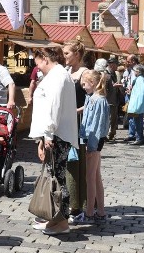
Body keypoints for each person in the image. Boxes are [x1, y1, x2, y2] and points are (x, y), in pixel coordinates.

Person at [28, 46, 78, 236]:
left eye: (38, 63)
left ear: (45, 59)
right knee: (55, 177)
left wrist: (48, 134)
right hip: (55, 134)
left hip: (57, 135)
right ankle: (53, 218)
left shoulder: (57, 76)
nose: (37, 67)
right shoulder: (58, 75)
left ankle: (60, 221)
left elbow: (54, 106)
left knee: (58, 180)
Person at [78, 70, 110, 224]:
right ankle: (101, 211)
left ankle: (90, 211)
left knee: (90, 177)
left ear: (93, 83)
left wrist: (91, 146)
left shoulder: (98, 100)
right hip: (92, 140)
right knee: (96, 176)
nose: (83, 86)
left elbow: (97, 125)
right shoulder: (92, 98)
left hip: (94, 141)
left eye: (84, 83)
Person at [63, 40, 88, 221]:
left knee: (76, 165)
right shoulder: (65, 72)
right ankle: (68, 201)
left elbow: (92, 101)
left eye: (67, 53)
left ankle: (79, 206)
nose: (64, 57)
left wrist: (75, 111)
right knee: (66, 164)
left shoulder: (85, 74)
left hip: (78, 124)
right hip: (64, 123)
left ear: (77, 54)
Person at [126, 64, 144, 145]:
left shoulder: (140, 80)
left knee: (138, 122)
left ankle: (139, 138)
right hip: (136, 106)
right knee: (137, 122)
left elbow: (141, 94)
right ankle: (140, 137)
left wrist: (138, 107)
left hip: (137, 106)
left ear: (138, 71)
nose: (133, 72)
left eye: (134, 71)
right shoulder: (140, 79)